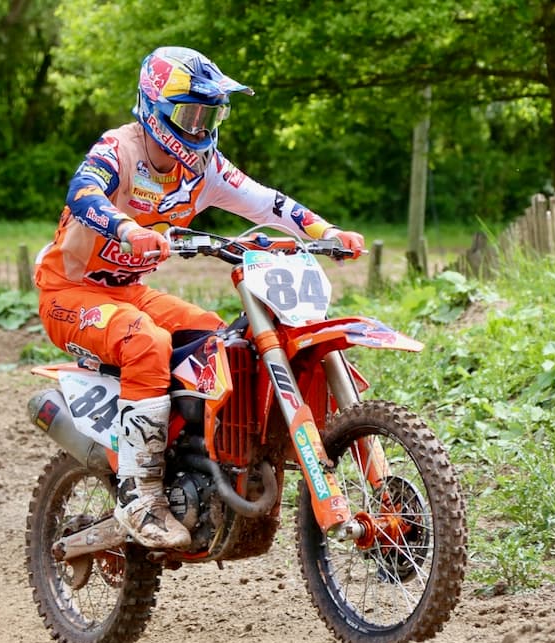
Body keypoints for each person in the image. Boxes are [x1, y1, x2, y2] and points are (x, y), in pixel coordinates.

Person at [35, 46, 364, 548]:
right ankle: (141, 495)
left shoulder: (204, 168)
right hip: (70, 292)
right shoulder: (119, 150)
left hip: (129, 292)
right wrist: (126, 227)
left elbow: (266, 201)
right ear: (154, 108)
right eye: (190, 113)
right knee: (144, 343)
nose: (199, 126)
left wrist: (327, 230)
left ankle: (193, 460)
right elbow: (83, 193)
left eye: (208, 115)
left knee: (219, 341)